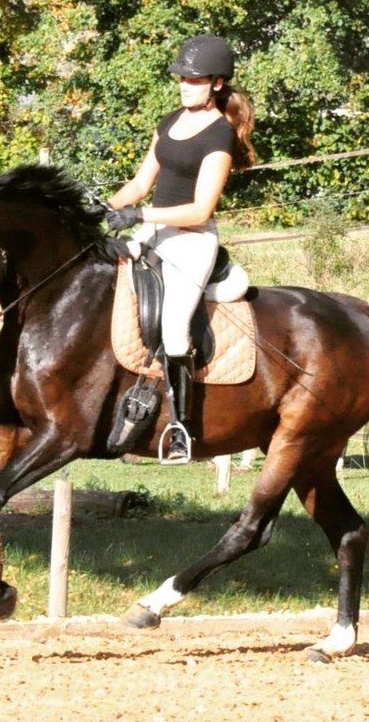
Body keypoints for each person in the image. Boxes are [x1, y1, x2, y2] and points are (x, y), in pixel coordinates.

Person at [104, 34, 256, 464]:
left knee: (173, 329)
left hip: (191, 240)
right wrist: (102, 207)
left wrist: (140, 217)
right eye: (181, 78)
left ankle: (179, 428)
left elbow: (200, 209)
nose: (184, 84)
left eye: (194, 79)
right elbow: (139, 184)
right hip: (154, 231)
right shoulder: (169, 121)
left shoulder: (220, 136)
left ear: (217, 83)